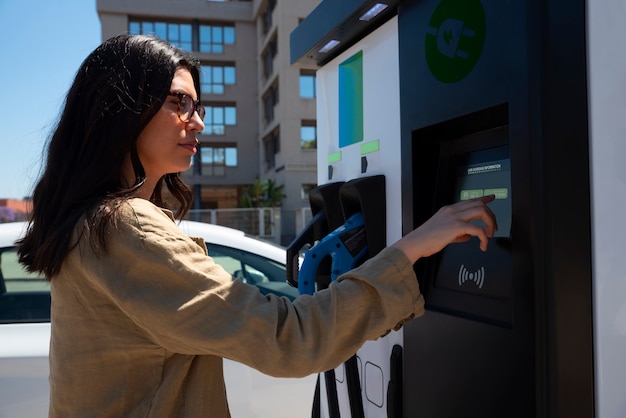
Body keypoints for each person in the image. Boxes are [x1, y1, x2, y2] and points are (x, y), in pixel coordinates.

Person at [17, 34, 497, 417]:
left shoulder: (86, 222)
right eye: (178, 103)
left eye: (198, 106)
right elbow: (288, 338)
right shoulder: (127, 228)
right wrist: (412, 248)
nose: (198, 122)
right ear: (121, 110)